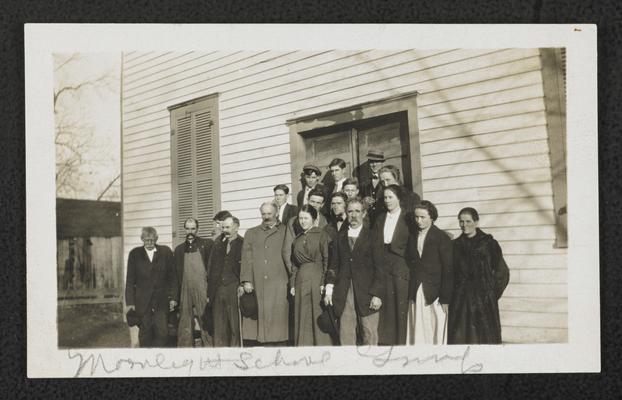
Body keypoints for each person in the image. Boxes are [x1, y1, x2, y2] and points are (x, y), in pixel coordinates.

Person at [324, 198, 383, 345]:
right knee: (346, 332)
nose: (354, 215)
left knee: (369, 331)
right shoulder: (339, 237)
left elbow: (381, 267)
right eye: (350, 211)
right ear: (346, 213)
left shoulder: (373, 236)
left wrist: (377, 294)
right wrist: (329, 289)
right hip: (344, 291)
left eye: (357, 211)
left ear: (363, 214)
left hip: (367, 291)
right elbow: (334, 265)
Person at [448, 207, 510, 344]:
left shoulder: (489, 244)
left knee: (485, 337)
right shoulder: (455, 246)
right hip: (461, 301)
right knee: (461, 337)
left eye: (468, 221)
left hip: (484, 301)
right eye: (461, 222)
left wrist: (491, 294)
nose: (464, 225)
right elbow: (450, 274)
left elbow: (502, 272)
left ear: (476, 222)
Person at [240, 203, 290, 346]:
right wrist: (247, 280)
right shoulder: (251, 233)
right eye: (264, 214)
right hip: (258, 281)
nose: (266, 217)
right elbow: (246, 258)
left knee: (278, 316)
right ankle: (262, 343)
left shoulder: (286, 231)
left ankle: (278, 344)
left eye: (269, 213)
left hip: (279, 282)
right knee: (259, 317)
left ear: (277, 213)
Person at [406, 200, 454, 345]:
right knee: (418, 325)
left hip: (435, 291)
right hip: (417, 288)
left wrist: (445, 298)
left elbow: (448, 269)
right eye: (416, 217)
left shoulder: (441, 237)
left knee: (435, 326)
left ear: (432, 217)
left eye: (422, 217)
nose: (418, 221)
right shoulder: (413, 236)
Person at [285, 205, 333, 346]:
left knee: (317, 312)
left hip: (317, 278)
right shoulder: (297, 240)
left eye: (306, 218)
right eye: (300, 218)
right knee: (302, 315)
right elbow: (294, 265)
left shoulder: (322, 235)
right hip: (301, 280)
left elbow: (327, 260)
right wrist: (293, 283)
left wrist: (324, 282)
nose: (303, 221)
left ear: (314, 218)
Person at [372, 185, 412, 345]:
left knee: (400, 306)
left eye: (391, 197)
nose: (387, 201)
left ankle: (401, 344)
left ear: (399, 199)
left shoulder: (407, 217)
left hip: (401, 265)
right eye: (385, 198)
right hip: (383, 264)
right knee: (386, 306)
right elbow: (376, 242)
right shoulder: (381, 218)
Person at [124, 227, 175, 347]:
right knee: (145, 334)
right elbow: (130, 280)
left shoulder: (165, 252)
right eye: (147, 240)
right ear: (142, 239)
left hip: (161, 301)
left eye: (152, 240)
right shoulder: (135, 254)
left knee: (163, 333)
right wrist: (130, 303)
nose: (149, 243)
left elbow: (172, 277)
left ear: (156, 239)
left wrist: (173, 297)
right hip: (142, 301)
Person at [172, 218, 214, 347]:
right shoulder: (179, 249)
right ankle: (186, 351)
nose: (190, 231)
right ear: (184, 229)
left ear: (197, 229)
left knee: (205, 318)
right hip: (185, 288)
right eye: (188, 229)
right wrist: (175, 296)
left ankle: (210, 348)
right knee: (185, 320)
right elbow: (175, 275)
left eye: (193, 229)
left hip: (202, 287)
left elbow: (212, 269)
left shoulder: (206, 245)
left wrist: (209, 292)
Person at [207, 216, 244, 347]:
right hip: (218, 289)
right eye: (223, 227)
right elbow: (211, 268)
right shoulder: (218, 244)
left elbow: (245, 267)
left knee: (234, 325)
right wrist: (210, 291)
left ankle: (235, 354)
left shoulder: (242, 243)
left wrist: (242, 284)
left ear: (236, 227)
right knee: (219, 326)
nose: (225, 230)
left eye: (228, 227)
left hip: (234, 288)